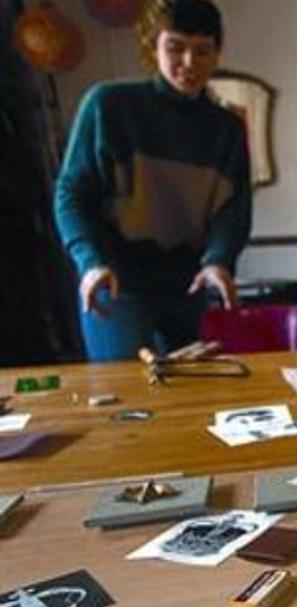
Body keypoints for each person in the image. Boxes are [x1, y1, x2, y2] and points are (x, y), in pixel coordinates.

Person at [55, 0, 249, 362]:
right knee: (128, 400)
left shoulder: (228, 130)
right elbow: (71, 194)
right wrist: (90, 261)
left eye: (203, 50)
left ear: (217, 54)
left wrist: (219, 260)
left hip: (189, 284)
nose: (189, 63)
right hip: (117, 283)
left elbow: (233, 209)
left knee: (196, 394)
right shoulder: (107, 106)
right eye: (175, 47)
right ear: (152, 45)